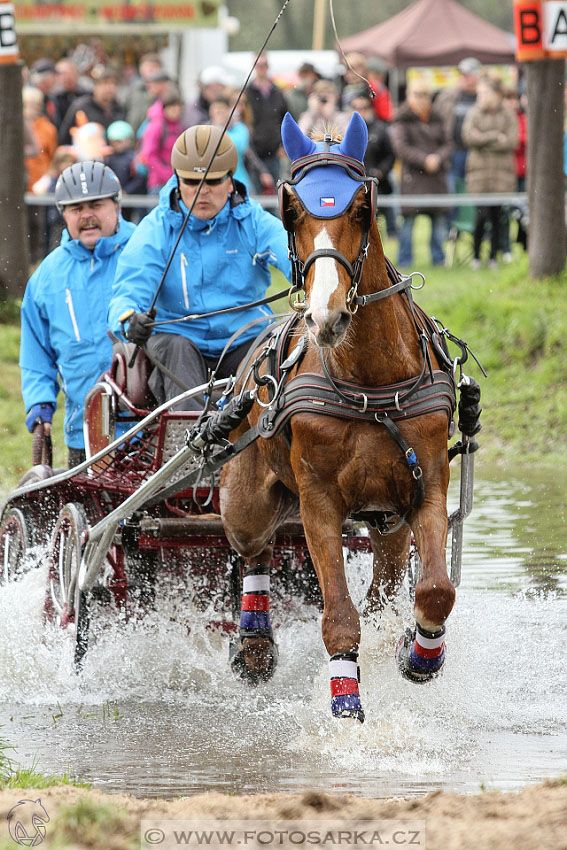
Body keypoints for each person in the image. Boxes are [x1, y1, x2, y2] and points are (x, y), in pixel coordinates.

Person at [107, 125, 291, 410]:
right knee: (176, 349)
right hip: (179, 345)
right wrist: (127, 318)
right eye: (192, 182)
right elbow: (129, 289)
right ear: (178, 180)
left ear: (231, 181)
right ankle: (190, 442)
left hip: (246, 341)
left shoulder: (254, 221)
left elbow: (295, 257)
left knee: (279, 339)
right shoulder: (157, 228)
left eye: (213, 181)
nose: (202, 192)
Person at [20, 161, 136, 468]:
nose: (86, 215)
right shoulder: (46, 277)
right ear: (63, 214)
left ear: (116, 205)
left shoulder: (146, 250)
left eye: (96, 204)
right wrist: (39, 401)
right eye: (76, 208)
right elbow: (36, 353)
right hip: (83, 431)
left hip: (150, 429)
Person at [391, 80, 452, 268]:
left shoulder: (437, 117)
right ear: (409, 96)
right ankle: (405, 261)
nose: (422, 99)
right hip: (413, 178)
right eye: (417, 94)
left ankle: (439, 259)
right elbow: (401, 147)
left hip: (436, 178)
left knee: (439, 221)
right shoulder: (401, 119)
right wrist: (425, 160)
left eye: (425, 94)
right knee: (408, 223)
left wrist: (438, 159)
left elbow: (448, 144)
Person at [462, 76, 517, 269]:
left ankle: (494, 256)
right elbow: (468, 137)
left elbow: (511, 141)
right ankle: (476, 256)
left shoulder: (508, 114)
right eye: (480, 93)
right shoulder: (474, 113)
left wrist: (482, 140)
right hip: (479, 175)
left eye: (484, 93)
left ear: (496, 94)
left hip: (501, 176)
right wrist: (495, 137)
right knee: (480, 218)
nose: (481, 97)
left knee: (497, 218)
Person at [350, 93, 397, 238]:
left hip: (379, 183)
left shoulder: (380, 129)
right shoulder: (347, 130)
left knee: (387, 220)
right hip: (356, 183)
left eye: (363, 107)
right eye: (356, 108)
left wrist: (381, 171)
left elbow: (391, 154)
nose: (360, 111)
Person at [22, 86, 58, 265]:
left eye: (35, 104)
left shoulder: (48, 128)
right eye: (28, 104)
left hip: (39, 182)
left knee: (38, 224)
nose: (31, 108)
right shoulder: (15, 124)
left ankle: (35, 261)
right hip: (18, 182)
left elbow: (52, 156)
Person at [435, 57, 481, 194]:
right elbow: (436, 122)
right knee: (452, 191)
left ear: (476, 76)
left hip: (477, 153)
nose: (463, 78)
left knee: (473, 193)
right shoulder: (447, 97)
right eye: (462, 75)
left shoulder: (485, 97)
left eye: (467, 75)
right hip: (452, 152)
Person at [246, 54, 288, 186]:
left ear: (268, 67)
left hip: (275, 151)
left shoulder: (277, 92)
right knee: (255, 194)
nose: (261, 68)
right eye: (258, 65)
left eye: (263, 65)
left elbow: (286, 119)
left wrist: (283, 145)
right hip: (254, 151)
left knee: (277, 191)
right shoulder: (247, 92)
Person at [58, 64, 126, 146]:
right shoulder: (81, 107)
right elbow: (64, 139)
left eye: (112, 83)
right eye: (104, 83)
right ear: (95, 86)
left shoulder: (119, 109)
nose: (109, 88)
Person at [140, 86, 185, 194]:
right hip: (158, 183)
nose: (175, 111)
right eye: (172, 107)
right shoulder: (158, 126)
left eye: (178, 107)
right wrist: (167, 174)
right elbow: (150, 155)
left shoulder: (179, 127)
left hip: (176, 181)